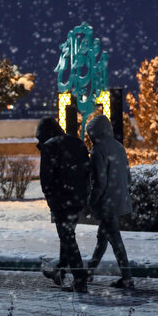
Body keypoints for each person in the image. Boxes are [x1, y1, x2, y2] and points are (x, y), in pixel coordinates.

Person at [36, 117, 90, 293]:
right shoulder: (77, 143)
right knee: (67, 235)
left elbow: (46, 179)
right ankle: (59, 270)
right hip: (78, 198)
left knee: (67, 237)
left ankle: (80, 278)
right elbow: (86, 170)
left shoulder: (49, 147)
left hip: (61, 200)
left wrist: (51, 200)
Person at [86, 114, 134, 289]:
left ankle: (127, 277)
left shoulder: (98, 150)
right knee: (103, 238)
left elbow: (99, 181)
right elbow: (128, 177)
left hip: (107, 203)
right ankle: (89, 271)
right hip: (119, 198)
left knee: (115, 240)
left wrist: (92, 201)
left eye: (90, 133)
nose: (90, 137)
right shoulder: (119, 147)